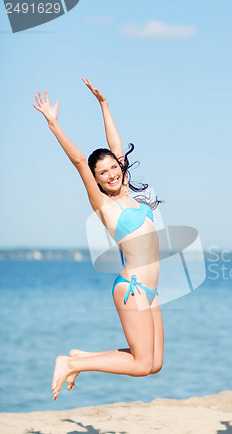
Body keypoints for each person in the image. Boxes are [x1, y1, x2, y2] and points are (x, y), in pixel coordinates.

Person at [33, 79, 164, 400]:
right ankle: (70, 362)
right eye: (102, 173)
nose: (110, 174)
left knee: (154, 364)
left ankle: (79, 359)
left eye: (113, 167)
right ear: (96, 181)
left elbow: (115, 145)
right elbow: (79, 161)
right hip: (131, 287)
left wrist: (104, 105)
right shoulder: (105, 204)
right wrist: (54, 124)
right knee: (140, 362)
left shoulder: (130, 193)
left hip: (152, 290)